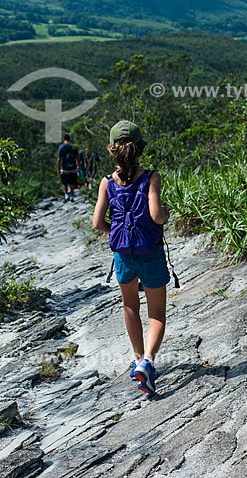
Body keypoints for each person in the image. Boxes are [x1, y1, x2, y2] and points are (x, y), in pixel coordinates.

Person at [92, 120, 170, 395]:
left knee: (130, 306)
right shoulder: (151, 177)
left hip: (123, 254)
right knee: (157, 314)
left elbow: (97, 222)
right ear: (139, 149)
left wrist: (117, 232)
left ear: (112, 150)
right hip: (150, 252)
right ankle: (148, 361)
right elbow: (156, 216)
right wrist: (167, 216)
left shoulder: (106, 182)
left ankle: (138, 359)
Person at [57, 133, 80, 202]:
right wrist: (78, 165)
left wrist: (58, 169)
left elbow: (59, 159)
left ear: (63, 139)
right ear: (69, 139)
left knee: (64, 182)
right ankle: (72, 195)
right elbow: (77, 157)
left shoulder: (61, 147)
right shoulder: (73, 147)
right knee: (72, 182)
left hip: (64, 168)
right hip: (73, 168)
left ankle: (66, 195)